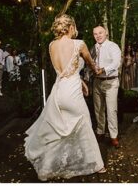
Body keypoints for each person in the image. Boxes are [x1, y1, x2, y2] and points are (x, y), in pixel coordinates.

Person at [24, 14, 105, 180]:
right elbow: (92, 66)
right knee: (85, 125)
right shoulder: (79, 44)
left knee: (58, 129)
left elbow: (65, 72)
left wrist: (80, 80)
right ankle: (98, 165)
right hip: (72, 94)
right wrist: (99, 70)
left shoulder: (51, 45)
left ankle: (45, 169)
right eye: (74, 26)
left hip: (58, 92)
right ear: (71, 27)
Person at [91, 26, 121, 146]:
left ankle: (113, 136)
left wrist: (103, 69)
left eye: (100, 33)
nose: (98, 35)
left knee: (111, 110)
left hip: (111, 81)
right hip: (97, 82)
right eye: (95, 34)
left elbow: (116, 63)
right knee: (98, 109)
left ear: (106, 33)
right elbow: (90, 63)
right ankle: (100, 132)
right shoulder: (93, 48)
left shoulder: (113, 46)